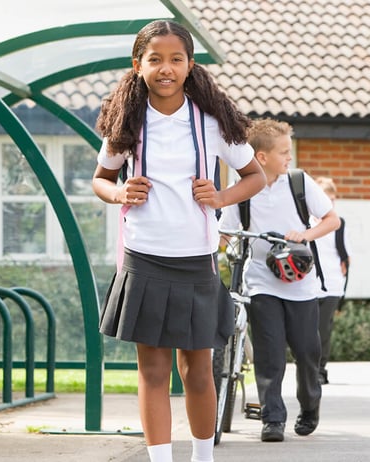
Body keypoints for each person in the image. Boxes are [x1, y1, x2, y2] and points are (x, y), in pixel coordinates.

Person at [91, 20, 265, 462]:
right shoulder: (124, 122)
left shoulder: (212, 122)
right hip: (144, 258)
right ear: (138, 66)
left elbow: (255, 176)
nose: (165, 69)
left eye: (175, 60)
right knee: (152, 371)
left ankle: (202, 457)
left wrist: (221, 196)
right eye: (155, 60)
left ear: (190, 65)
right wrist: (119, 192)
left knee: (198, 371)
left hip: (196, 260)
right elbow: (101, 179)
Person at [218, 118, 340, 443]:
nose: (289, 157)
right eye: (284, 152)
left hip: (300, 282)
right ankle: (272, 419)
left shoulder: (299, 182)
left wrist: (305, 234)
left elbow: (332, 219)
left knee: (306, 351)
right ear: (261, 157)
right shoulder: (245, 189)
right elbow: (225, 232)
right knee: (270, 353)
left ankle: (310, 405)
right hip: (260, 280)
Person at [313, 177, 351, 385]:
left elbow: (346, 256)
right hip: (309, 285)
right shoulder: (306, 223)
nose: (330, 204)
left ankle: (320, 369)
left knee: (323, 329)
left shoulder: (339, 224)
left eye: (332, 200)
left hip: (333, 284)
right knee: (308, 329)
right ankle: (310, 366)